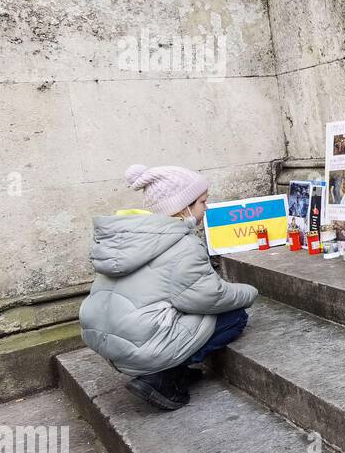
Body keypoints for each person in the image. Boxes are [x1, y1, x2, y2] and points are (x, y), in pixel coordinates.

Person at [79, 165, 258, 411]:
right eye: (202, 202)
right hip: (142, 350)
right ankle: (165, 376)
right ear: (183, 206)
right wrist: (249, 292)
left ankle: (172, 368)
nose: (206, 208)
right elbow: (208, 297)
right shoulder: (182, 244)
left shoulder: (128, 235)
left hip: (108, 344)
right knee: (234, 316)